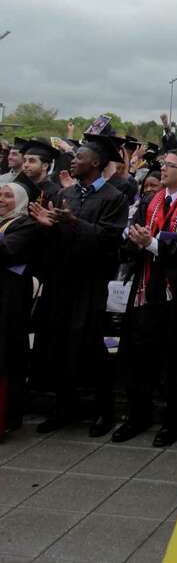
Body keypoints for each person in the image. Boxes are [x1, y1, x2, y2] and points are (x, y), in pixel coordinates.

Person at [29, 134, 127, 436]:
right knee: (58, 342)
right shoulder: (65, 195)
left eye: (79, 157)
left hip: (91, 283)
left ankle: (104, 412)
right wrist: (47, 227)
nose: (73, 160)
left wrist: (74, 223)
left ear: (95, 163)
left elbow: (110, 242)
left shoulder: (114, 198)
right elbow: (57, 239)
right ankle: (64, 407)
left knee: (91, 347)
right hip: (62, 280)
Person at [112, 139, 177, 446]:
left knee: (172, 362)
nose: (162, 169)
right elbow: (131, 238)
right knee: (138, 356)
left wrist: (151, 244)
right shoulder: (149, 202)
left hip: (174, 296)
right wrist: (134, 240)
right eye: (162, 164)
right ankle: (137, 416)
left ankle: (173, 422)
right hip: (143, 291)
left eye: (169, 165)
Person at [0, 178, 41, 438]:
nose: (2, 201)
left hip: (9, 300)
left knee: (5, 357)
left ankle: (5, 418)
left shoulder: (26, 224)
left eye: (7, 196)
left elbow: (7, 252)